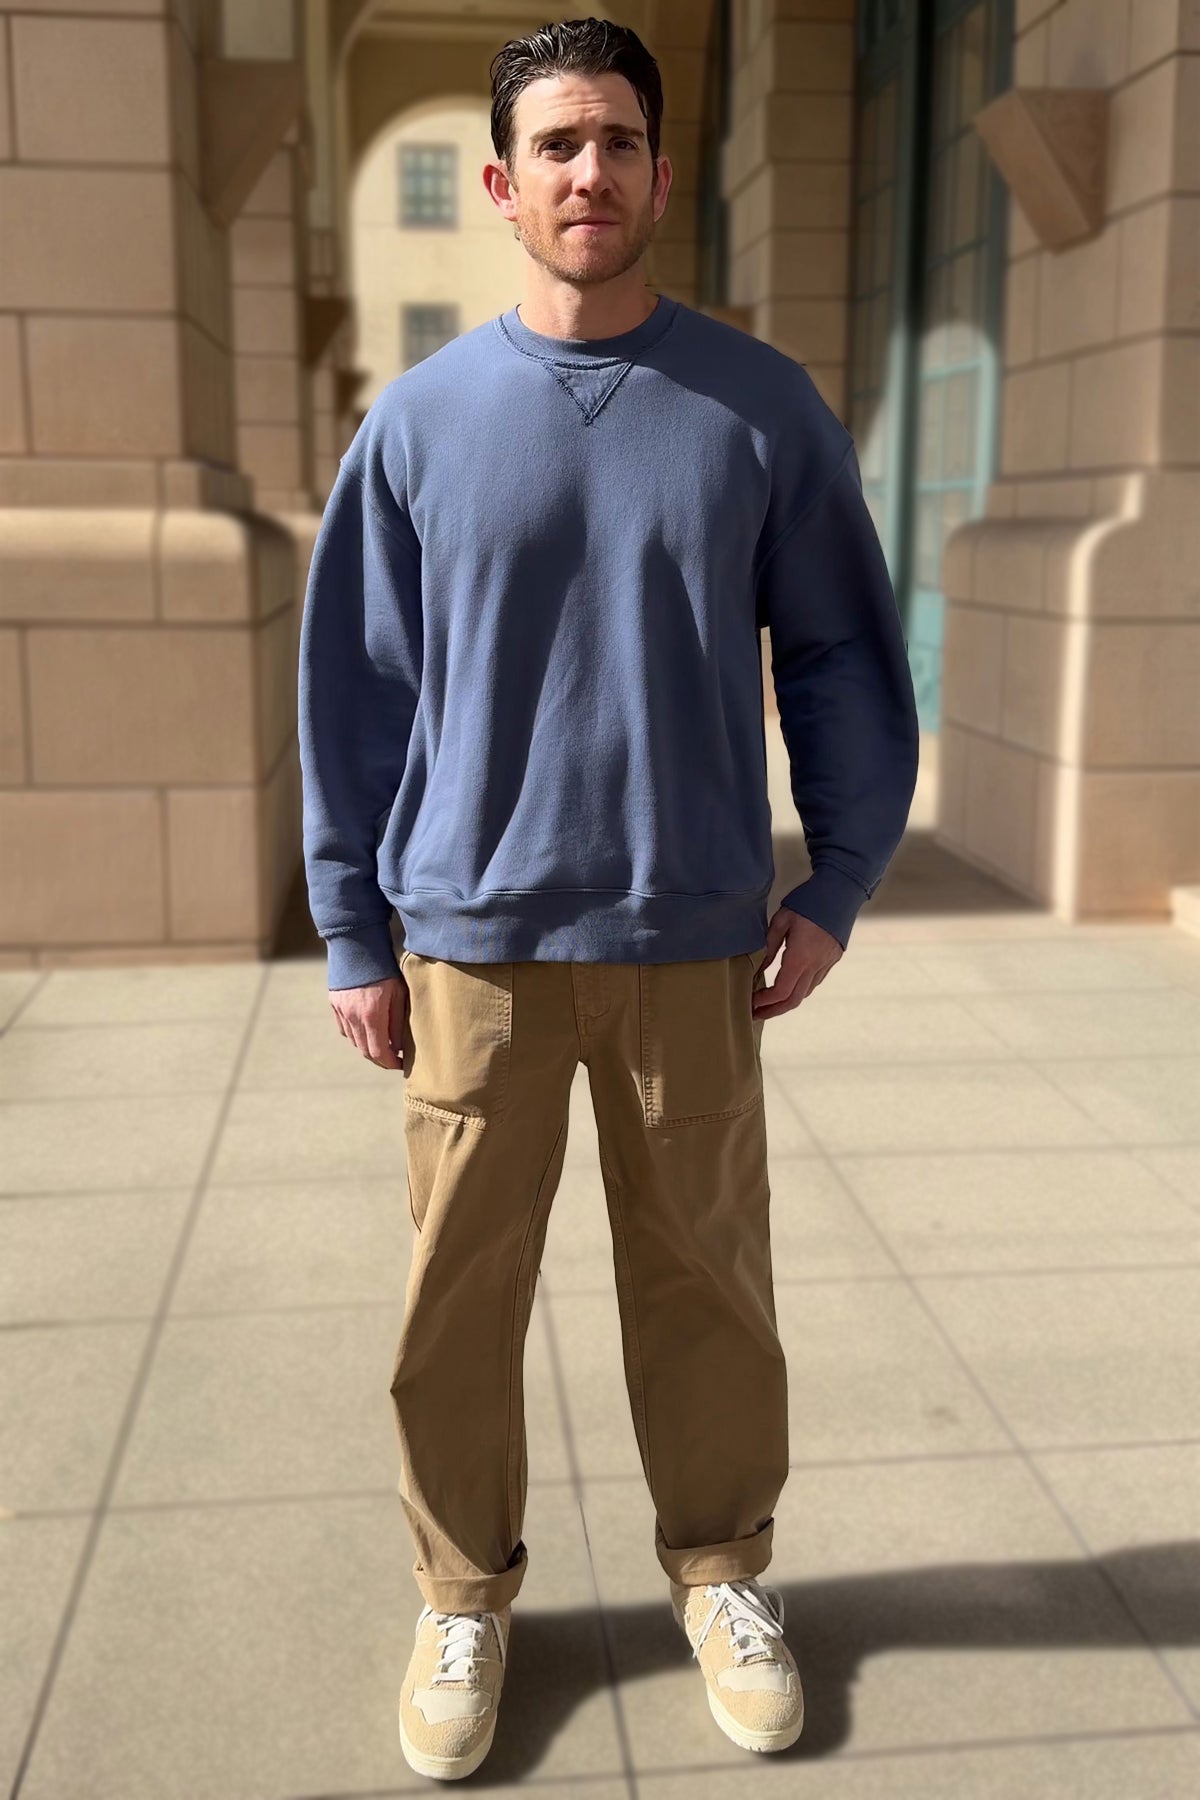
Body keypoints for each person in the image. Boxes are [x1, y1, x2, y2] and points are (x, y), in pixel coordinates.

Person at [298, 16, 919, 1784]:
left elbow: (845, 663)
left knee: (709, 1282)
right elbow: (352, 696)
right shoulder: (415, 428)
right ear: (501, 185)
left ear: (659, 173)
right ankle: (462, 1593)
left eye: (621, 142)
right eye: (556, 145)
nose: (590, 173)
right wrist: (355, 928)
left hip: (693, 937)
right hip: (471, 944)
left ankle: (722, 1574)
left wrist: (840, 878)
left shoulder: (757, 409)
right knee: (456, 1300)